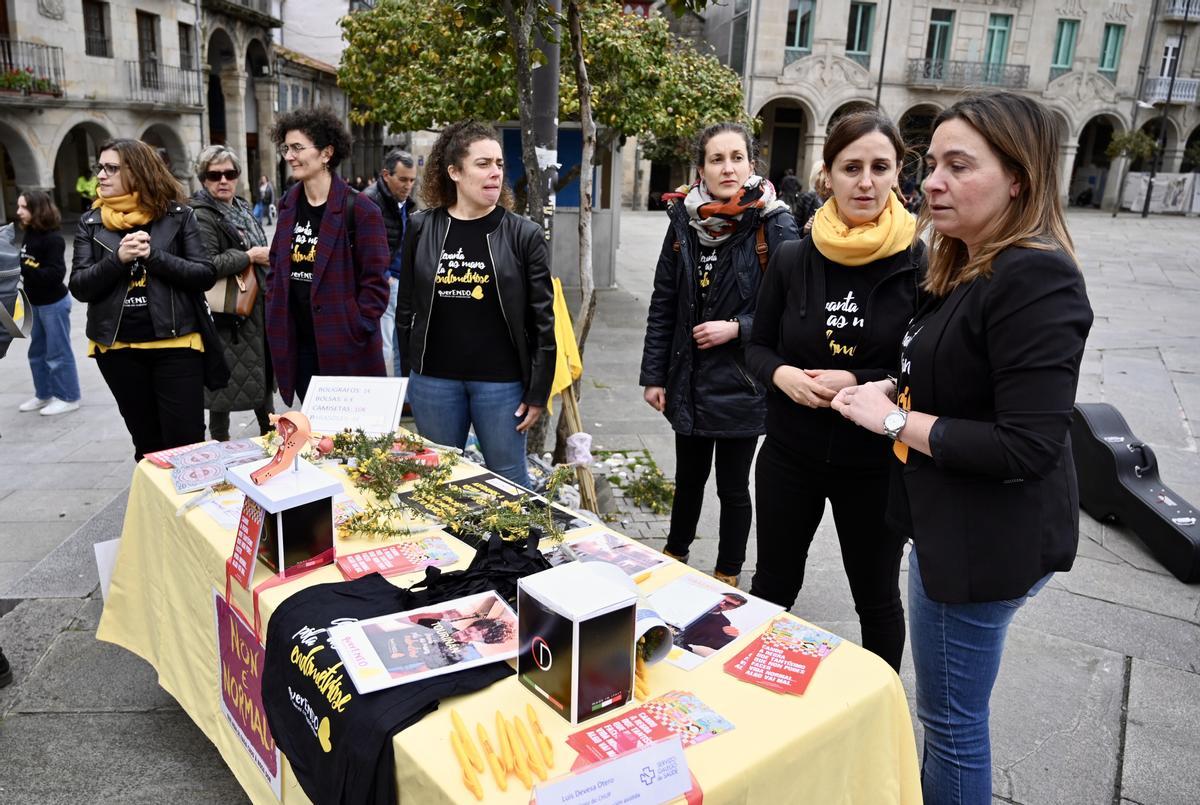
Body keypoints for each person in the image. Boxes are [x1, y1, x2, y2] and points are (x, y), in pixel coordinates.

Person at [831, 92, 1093, 803]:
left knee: (950, 722)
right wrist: (872, 384)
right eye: (931, 163)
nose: (932, 182)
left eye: (958, 165)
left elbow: (1026, 443)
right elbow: (946, 374)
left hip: (981, 546)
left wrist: (888, 422)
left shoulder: (1035, 275)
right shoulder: (965, 261)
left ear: (1019, 178)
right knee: (948, 717)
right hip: (952, 525)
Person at [745, 110, 923, 673]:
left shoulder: (921, 263)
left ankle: (882, 713)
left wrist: (860, 379)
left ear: (899, 173)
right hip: (789, 455)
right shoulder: (795, 256)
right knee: (771, 587)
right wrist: (781, 375)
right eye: (851, 168)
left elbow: (928, 365)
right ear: (828, 175)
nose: (865, 182)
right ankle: (758, 707)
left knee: (876, 597)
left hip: (873, 463)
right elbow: (756, 344)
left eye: (879, 167)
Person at [639, 121, 800, 588]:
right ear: (702, 168)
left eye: (736, 157)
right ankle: (672, 558)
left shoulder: (775, 222)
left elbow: (793, 307)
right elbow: (663, 302)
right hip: (687, 377)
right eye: (717, 159)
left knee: (733, 488)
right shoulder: (683, 223)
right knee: (687, 480)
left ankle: (728, 573)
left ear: (752, 164)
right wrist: (655, 375)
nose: (727, 167)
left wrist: (737, 328)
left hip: (744, 380)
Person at [397, 120, 555, 489]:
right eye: (483, 164)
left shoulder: (523, 234)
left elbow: (542, 321)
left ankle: (516, 549)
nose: (495, 173)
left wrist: (537, 391)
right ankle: (460, 548)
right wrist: (411, 372)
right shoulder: (421, 227)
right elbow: (406, 306)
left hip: (501, 383)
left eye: (499, 164)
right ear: (454, 171)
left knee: (510, 481)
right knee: (439, 483)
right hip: (434, 380)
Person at [70, 138, 220, 461]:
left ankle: (187, 509)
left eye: (112, 168)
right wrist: (117, 260)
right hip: (119, 351)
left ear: (137, 173)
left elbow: (204, 274)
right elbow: (80, 286)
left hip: (177, 345)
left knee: (188, 445)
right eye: (100, 167)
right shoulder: (91, 222)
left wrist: (154, 256)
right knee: (148, 447)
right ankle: (154, 511)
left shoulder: (179, 216)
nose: (101, 175)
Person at [265, 108, 391, 405]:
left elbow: (375, 283)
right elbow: (276, 269)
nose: (289, 156)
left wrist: (357, 326)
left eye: (297, 147)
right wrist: (274, 309)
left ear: (326, 153)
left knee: (350, 441)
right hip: (299, 344)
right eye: (286, 147)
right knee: (313, 435)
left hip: (344, 345)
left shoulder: (360, 210)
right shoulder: (287, 206)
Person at [189, 146, 274, 441]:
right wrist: (250, 255)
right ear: (203, 179)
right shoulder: (202, 215)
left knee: (258, 374)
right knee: (223, 386)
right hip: (228, 311)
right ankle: (220, 447)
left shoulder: (242, 206)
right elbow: (207, 264)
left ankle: (271, 437)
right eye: (214, 175)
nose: (223, 180)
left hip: (256, 306)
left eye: (230, 173)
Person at [14, 191, 82, 416]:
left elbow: (55, 274)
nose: (18, 212)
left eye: (23, 207)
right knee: (37, 352)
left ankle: (68, 397)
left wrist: (23, 269)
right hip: (34, 303)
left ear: (36, 209)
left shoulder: (53, 239)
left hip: (54, 303)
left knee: (58, 352)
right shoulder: (30, 233)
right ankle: (44, 394)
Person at [364, 148, 418, 376]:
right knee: (384, 347)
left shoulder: (403, 202)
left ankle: (402, 400)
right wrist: (383, 277)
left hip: (400, 281)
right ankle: (382, 400)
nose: (408, 185)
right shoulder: (369, 201)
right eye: (403, 179)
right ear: (387, 175)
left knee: (400, 344)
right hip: (384, 282)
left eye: (412, 180)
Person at [675, 592, 747, 656]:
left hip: (679, 646)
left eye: (729, 604)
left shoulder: (723, 622)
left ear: (732, 608)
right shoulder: (691, 603)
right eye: (721, 600)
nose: (722, 604)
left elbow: (716, 645)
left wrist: (728, 638)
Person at [794, 163, 830, 235]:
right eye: (820, 174)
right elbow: (795, 228)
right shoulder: (806, 198)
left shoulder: (837, 200)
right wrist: (805, 229)